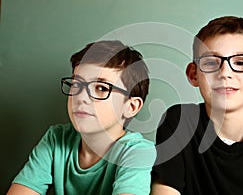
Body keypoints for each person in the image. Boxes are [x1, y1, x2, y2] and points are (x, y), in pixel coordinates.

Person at [151, 16, 243, 195]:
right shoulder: (180, 123)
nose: (225, 73)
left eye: (241, 62)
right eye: (211, 63)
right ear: (193, 74)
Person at [7, 40, 156, 195]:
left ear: (131, 107)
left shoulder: (137, 152)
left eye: (101, 88)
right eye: (76, 84)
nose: (81, 97)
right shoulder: (57, 138)